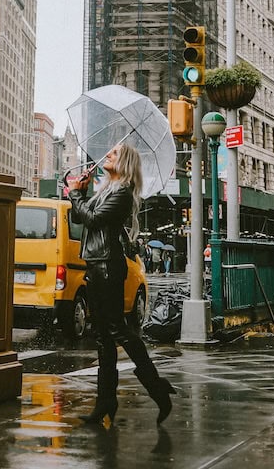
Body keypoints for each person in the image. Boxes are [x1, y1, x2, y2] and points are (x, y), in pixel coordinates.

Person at [67, 143, 176, 428]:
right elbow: (80, 217)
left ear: (124, 162)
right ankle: (105, 401)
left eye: (113, 154)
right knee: (103, 336)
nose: (107, 155)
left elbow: (93, 219)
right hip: (96, 265)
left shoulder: (123, 193)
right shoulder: (107, 190)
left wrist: (76, 194)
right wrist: (82, 190)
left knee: (117, 330)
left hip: (108, 266)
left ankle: (156, 385)